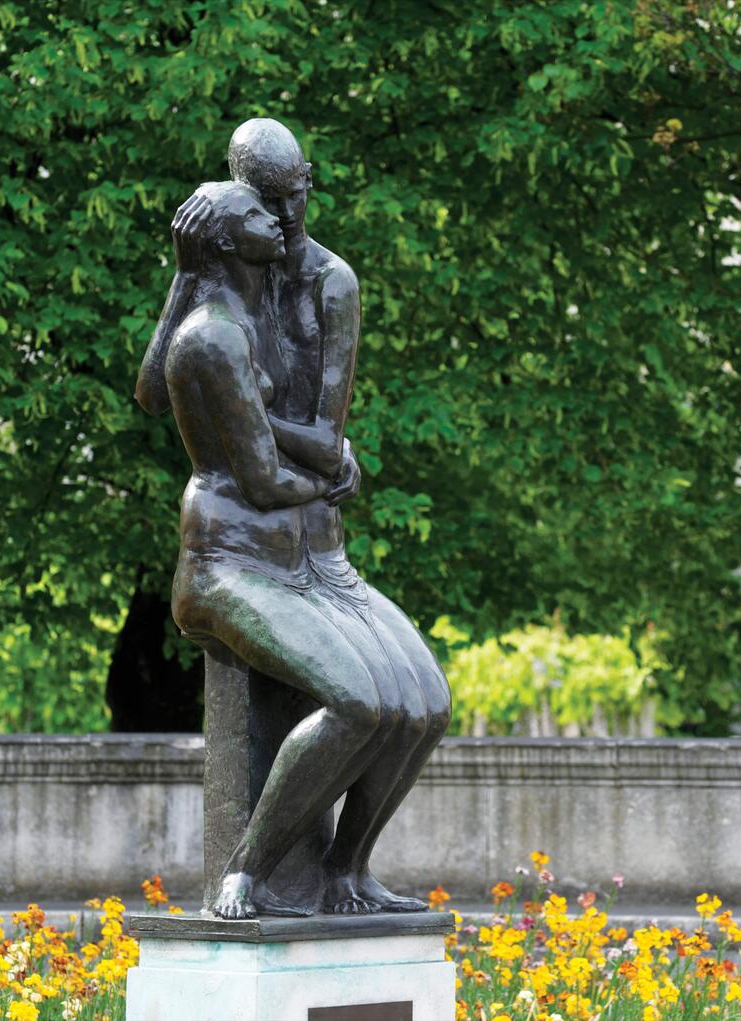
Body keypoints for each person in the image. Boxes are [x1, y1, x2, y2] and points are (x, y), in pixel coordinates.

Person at [167, 119, 451, 916]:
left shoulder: (329, 282)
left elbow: (325, 443)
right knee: (360, 700)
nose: (287, 217)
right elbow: (162, 392)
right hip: (240, 551)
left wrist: (276, 430)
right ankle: (248, 868)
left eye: (296, 196)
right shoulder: (218, 305)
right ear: (233, 213)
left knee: (425, 704)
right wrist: (186, 277)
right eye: (266, 204)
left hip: (318, 556)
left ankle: (346, 871)